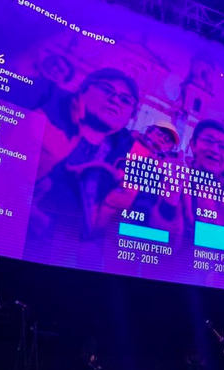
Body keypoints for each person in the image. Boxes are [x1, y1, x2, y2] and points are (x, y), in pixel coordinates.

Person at [26, 68, 142, 266]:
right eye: (107, 90)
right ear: (82, 91)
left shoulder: (126, 154)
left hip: (72, 255)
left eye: (125, 100)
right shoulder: (44, 110)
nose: (116, 100)